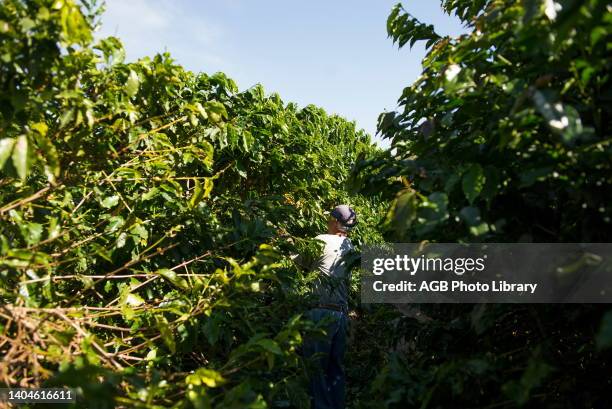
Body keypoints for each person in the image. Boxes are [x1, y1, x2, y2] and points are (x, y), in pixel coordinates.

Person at [294, 205, 357, 409]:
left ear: (334, 221)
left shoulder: (321, 240)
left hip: (320, 313)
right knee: (335, 371)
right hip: (341, 315)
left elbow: (296, 263)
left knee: (316, 370)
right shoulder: (351, 247)